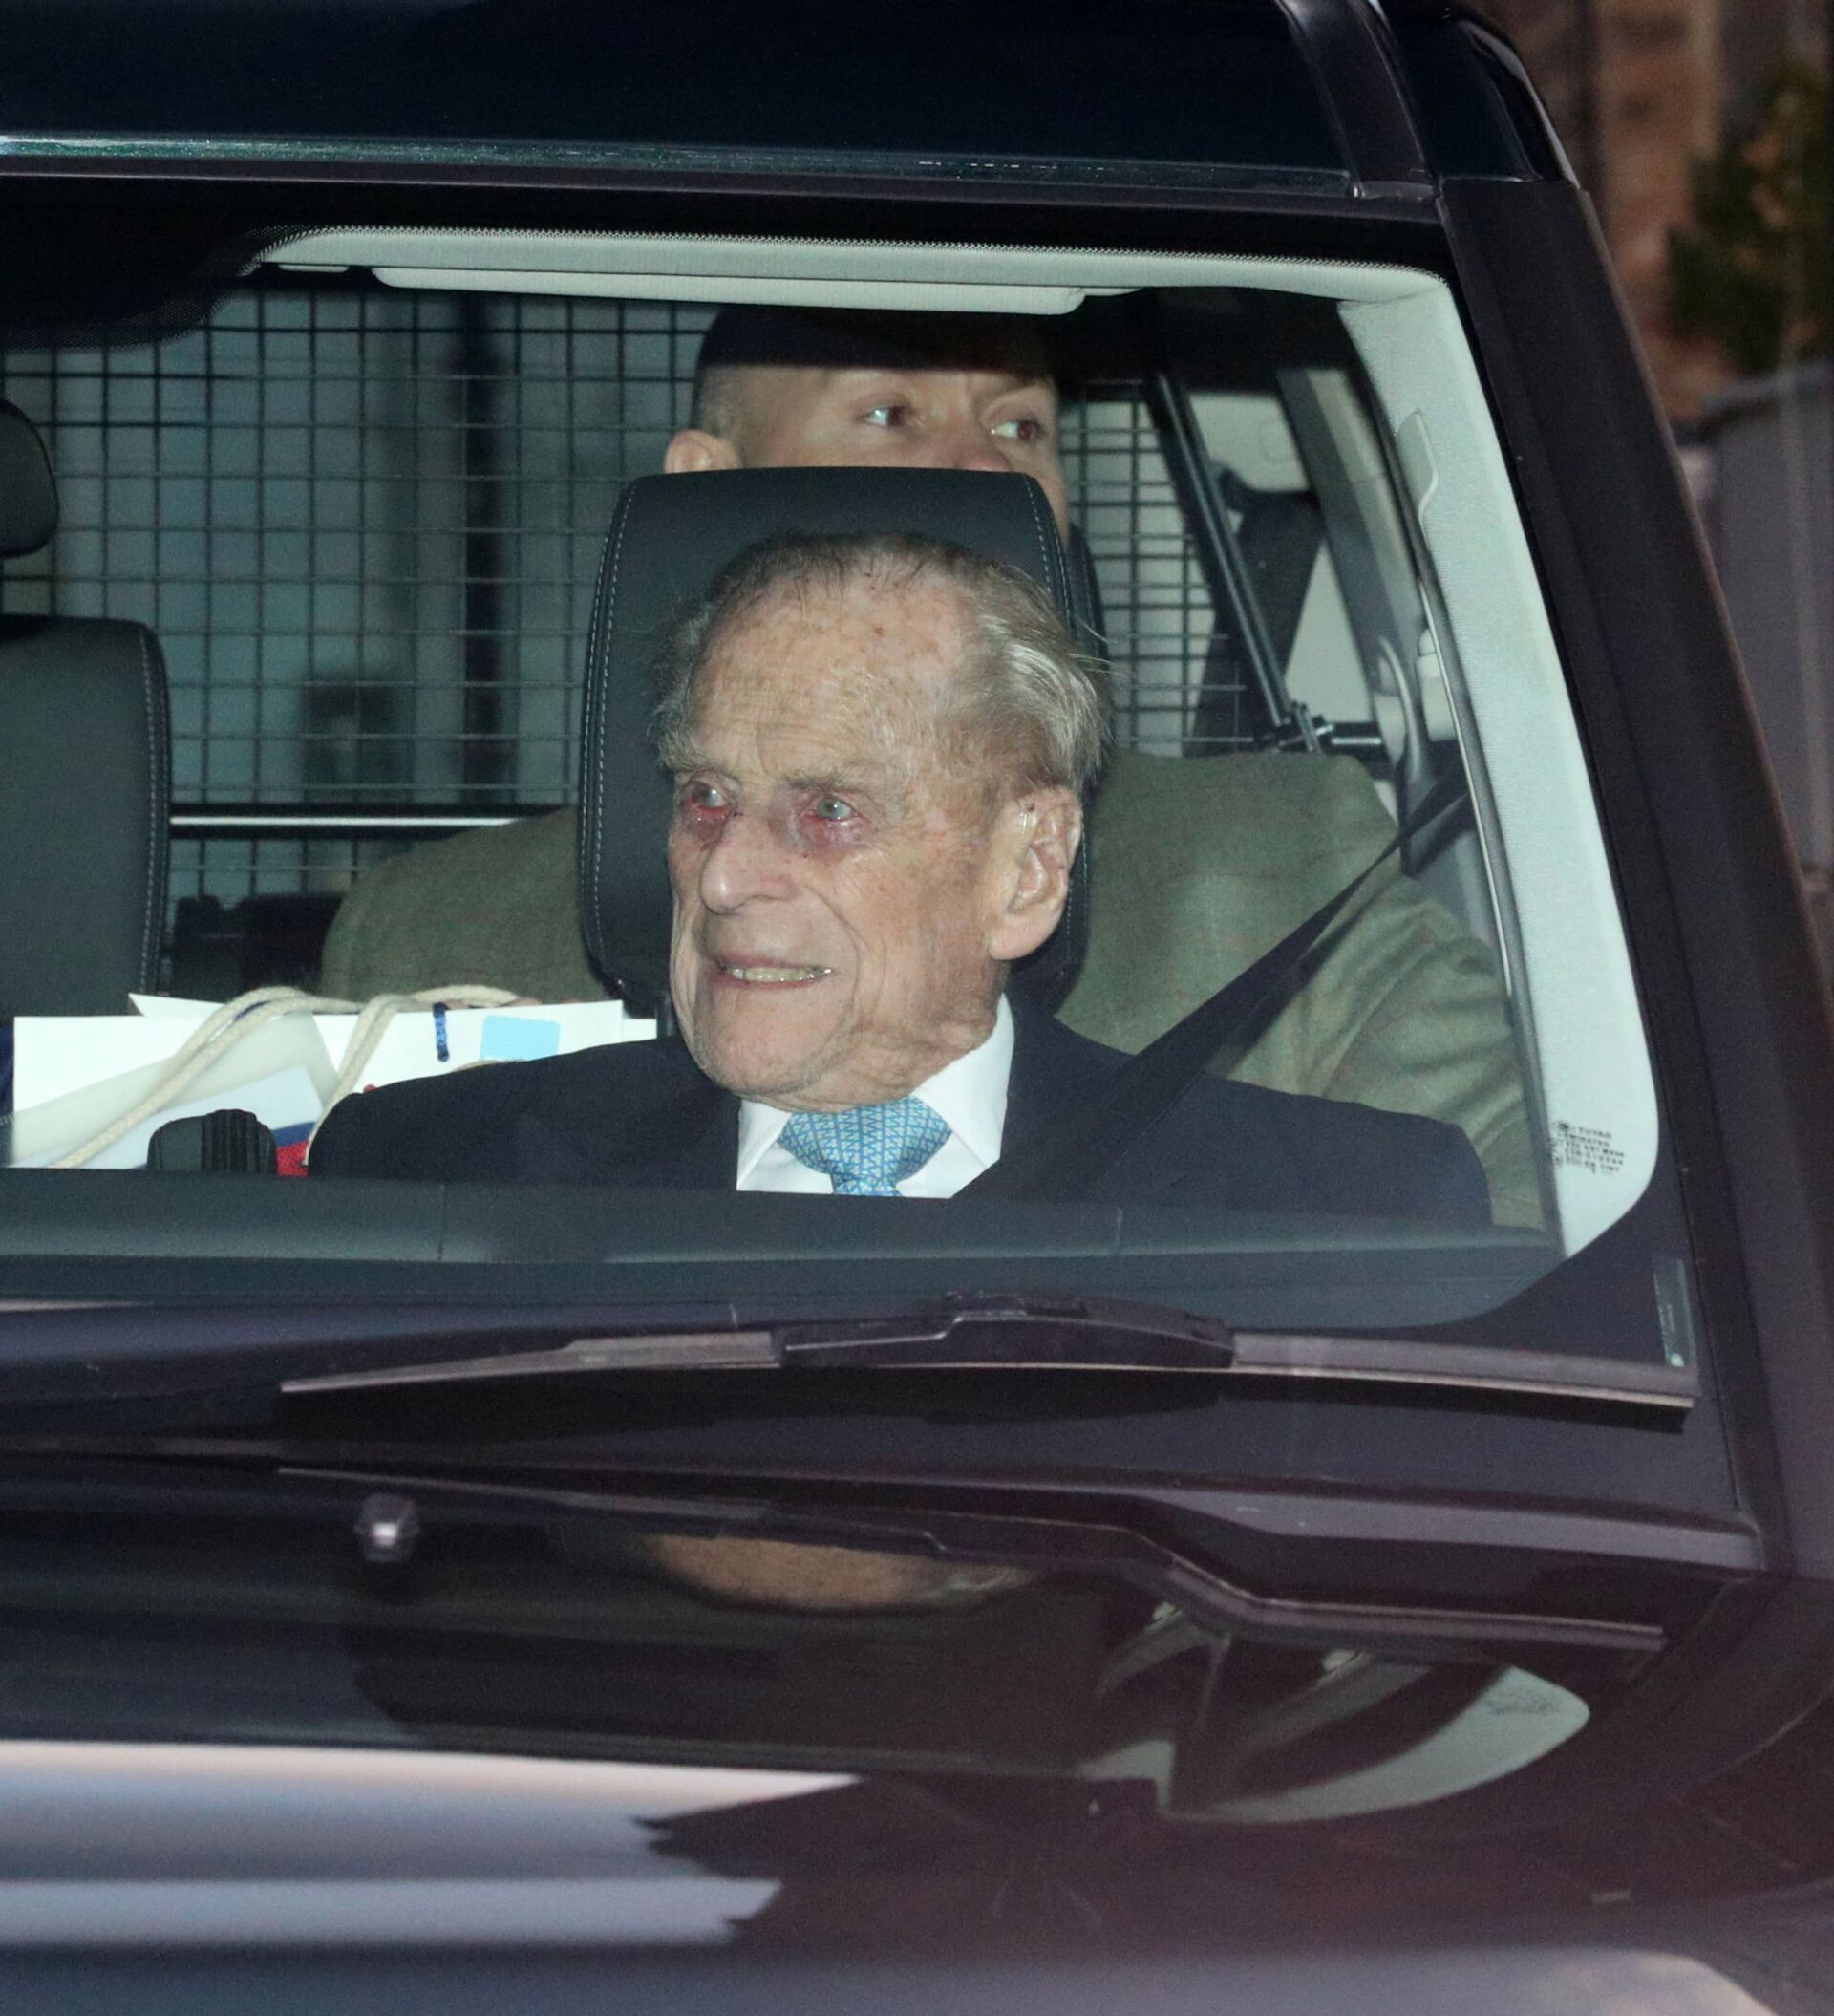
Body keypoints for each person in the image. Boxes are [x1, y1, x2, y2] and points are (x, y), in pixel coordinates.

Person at [317, 308, 1539, 1224]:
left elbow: (1536, 1257)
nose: (985, 470)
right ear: (708, 486)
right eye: (890, 414)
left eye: (1021, 427)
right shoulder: (430, 950)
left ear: (1034, 860)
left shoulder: (1287, 879)